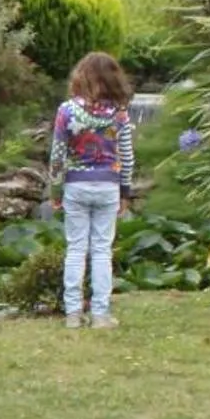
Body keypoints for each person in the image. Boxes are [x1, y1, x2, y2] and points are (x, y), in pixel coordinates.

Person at [49, 52, 136, 329]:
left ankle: (73, 314)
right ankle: (100, 314)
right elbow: (126, 156)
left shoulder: (67, 111)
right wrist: (125, 191)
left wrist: (55, 190)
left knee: (75, 249)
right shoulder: (119, 115)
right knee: (101, 250)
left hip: (75, 185)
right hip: (108, 187)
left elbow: (57, 155)